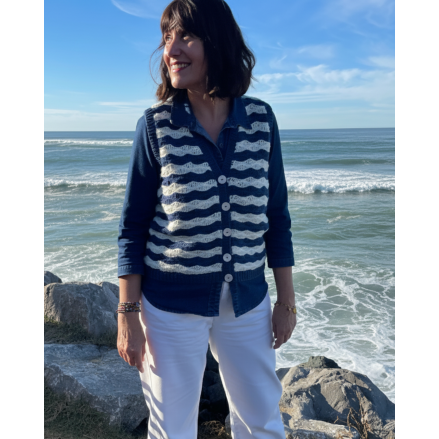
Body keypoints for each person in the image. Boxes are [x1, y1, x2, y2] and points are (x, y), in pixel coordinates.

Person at [117, 0, 297, 437]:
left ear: (217, 42)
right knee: (172, 429)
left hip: (248, 302)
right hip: (170, 305)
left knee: (262, 423)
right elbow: (133, 227)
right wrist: (127, 314)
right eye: (167, 38)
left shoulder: (261, 121)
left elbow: (277, 216)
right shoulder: (156, 126)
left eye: (186, 36)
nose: (171, 49)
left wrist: (286, 301)